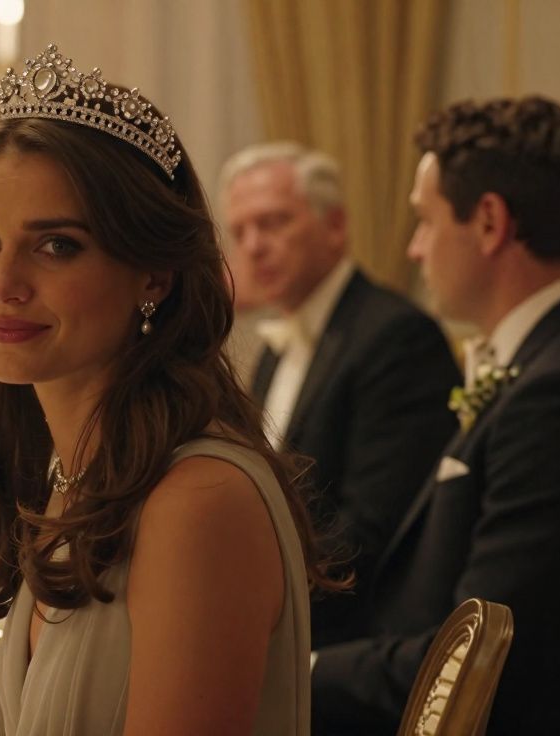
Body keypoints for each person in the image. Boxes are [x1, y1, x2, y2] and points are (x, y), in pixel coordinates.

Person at [0, 44, 342, 735]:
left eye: (56, 245)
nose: (2, 284)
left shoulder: (196, 503)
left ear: (154, 274)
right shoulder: (76, 467)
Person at [311, 96, 560, 734]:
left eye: (424, 221)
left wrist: (299, 668)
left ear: (489, 222)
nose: (415, 249)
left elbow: (486, 665)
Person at [220, 143, 460, 647]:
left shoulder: (396, 337)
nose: (253, 245)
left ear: (335, 226)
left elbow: (369, 534)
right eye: (240, 231)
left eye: (273, 223)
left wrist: (245, 609)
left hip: (353, 639)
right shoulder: (273, 348)